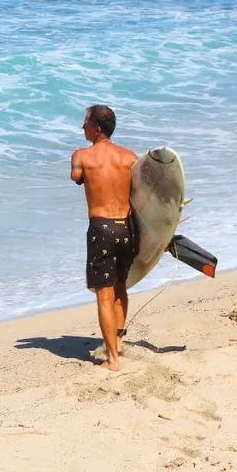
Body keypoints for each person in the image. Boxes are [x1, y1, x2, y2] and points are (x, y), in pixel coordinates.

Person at [70, 105, 139, 371]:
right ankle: (118, 342)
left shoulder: (82, 155)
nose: (82, 127)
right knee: (121, 287)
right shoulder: (129, 157)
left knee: (104, 295)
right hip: (126, 228)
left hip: (101, 229)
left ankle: (112, 359)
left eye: (85, 122)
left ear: (96, 128)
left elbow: (76, 176)